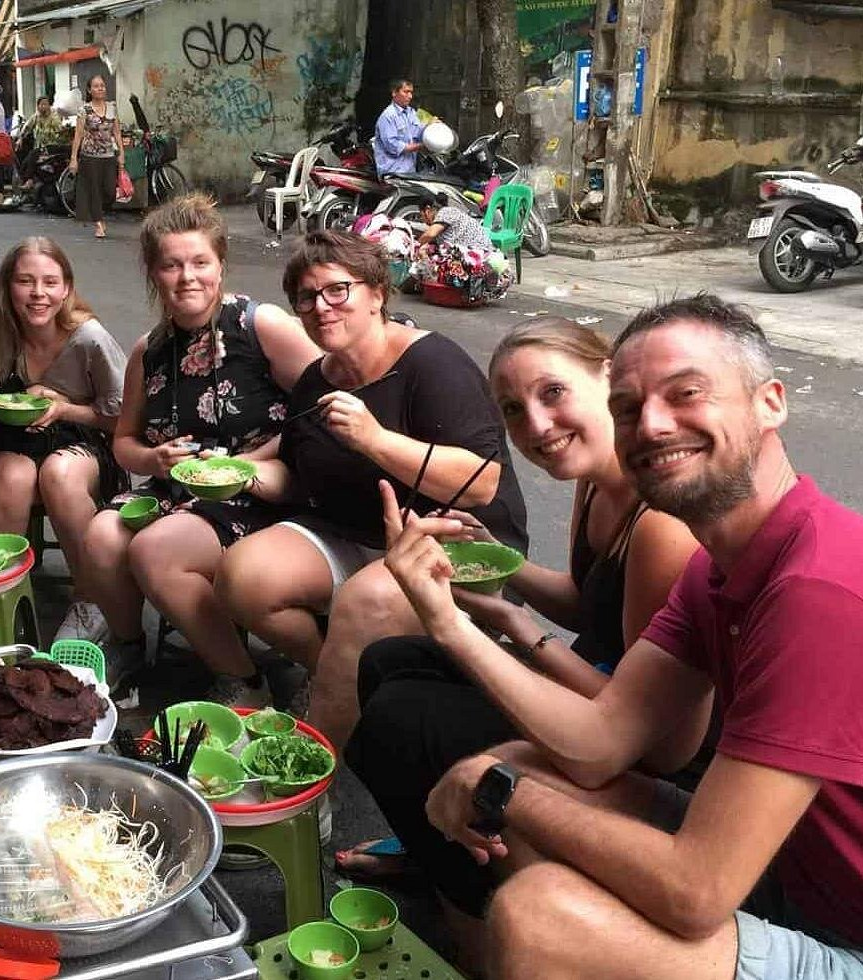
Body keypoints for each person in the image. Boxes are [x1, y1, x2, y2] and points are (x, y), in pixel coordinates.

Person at [385, 294, 863, 978]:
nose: (653, 426)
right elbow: (604, 739)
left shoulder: (819, 587)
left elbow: (697, 891)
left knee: (539, 916)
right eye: (630, 409)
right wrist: (447, 622)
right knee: (519, 764)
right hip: (787, 870)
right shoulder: (717, 566)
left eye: (686, 394)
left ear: (771, 403)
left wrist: (499, 790)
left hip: (841, 930)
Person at [342, 317, 701, 961]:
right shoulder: (596, 482)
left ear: (608, 379)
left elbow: (639, 728)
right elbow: (589, 606)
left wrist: (514, 627)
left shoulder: (661, 527)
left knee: (401, 721)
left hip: (652, 754)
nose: (536, 426)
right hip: (601, 696)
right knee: (390, 660)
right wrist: (498, 564)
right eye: (513, 409)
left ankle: (481, 918)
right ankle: (442, 840)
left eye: (553, 393)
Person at [216, 231, 527, 745]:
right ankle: (338, 677)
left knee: (364, 602)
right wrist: (237, 474)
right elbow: (294, 472)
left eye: (338, 290)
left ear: (378, 293)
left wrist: (376, 440)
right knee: (241, 576)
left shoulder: (432, 362)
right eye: (306, 298)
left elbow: (481, 482)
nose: (321, 307)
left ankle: (313, 774)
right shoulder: (318, 379)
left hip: (456, 542)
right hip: (354, 535)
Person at [73, 194, 320, 699]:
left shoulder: (260, 326)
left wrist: (245, 463)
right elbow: (124, 441)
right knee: (101, 535)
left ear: (220, 264)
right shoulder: (150, 349)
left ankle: (243, 679)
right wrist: (153, 459)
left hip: (256, 492)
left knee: (154, 551)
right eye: (171, 265)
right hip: (176, 491)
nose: (187, 277)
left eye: (200, 262)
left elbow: (321, 409)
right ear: (154, 273)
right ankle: (126, 646)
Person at [0, 237, 128, 632]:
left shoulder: (89, 338)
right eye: (25, 281)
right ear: (8, 286)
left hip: (82, 437)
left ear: (66, 287)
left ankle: (93, 601)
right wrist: (14, 400)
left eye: (50, 282)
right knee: (14, 478)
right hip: (15, 441)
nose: (38, 294)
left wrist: (64, 408)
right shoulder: (0, 332)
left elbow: (123, 420)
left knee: (58, 474)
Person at [69, 74, 125, 240]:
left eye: (102, 85)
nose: (100, 88)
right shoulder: (84, 110)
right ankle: (99, 222)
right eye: (96, 86)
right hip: (89, 157)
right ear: (89, 90)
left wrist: (122, 153)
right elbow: (78, 135)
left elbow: (117, 132)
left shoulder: (112, 107)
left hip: (108, 156)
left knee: (109, 191)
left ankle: (101, 213)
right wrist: (74, 158)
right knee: (93, 191)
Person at [374, 78, 424, 177]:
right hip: (393, 173)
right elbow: (393, 146)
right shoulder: (388, 116)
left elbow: (419, 131)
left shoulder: (411, 112)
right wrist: (421, 145)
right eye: (406, 92)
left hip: (409, 171)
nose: (410, 96)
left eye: (411, 92)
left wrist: (432, 126)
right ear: (394, 93)